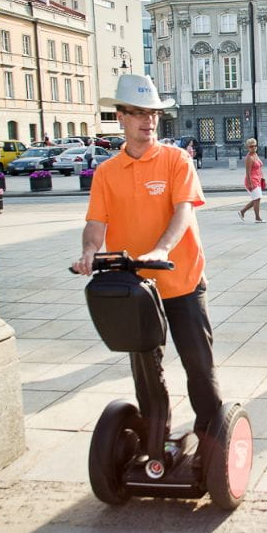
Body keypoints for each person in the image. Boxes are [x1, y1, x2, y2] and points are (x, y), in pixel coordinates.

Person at [71, 73, 221, 450]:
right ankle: (157, 440)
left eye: (152, 112)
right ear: (120, 116)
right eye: (138, 113)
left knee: (198, 366)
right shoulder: (107, 172)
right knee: (147, 373)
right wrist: (89, 250)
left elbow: (183, 209)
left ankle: (211, 438)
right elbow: (95, 222)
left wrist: (161, 249)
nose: (148, 120)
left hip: (182, 279)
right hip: (136, 288)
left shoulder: (176, 160)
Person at [239, 137, 265, 223]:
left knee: (257, 198)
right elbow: (248, 172)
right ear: (248, 147)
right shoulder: (249, 158)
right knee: (257, 198)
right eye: (251, 146)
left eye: (255, 146)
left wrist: (262, 178)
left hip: (257, 180)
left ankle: (242, 211)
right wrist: (250, 184)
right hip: (251, 180)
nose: (253, 147)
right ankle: (257, 218)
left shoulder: (256, 155)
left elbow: (259, 168)